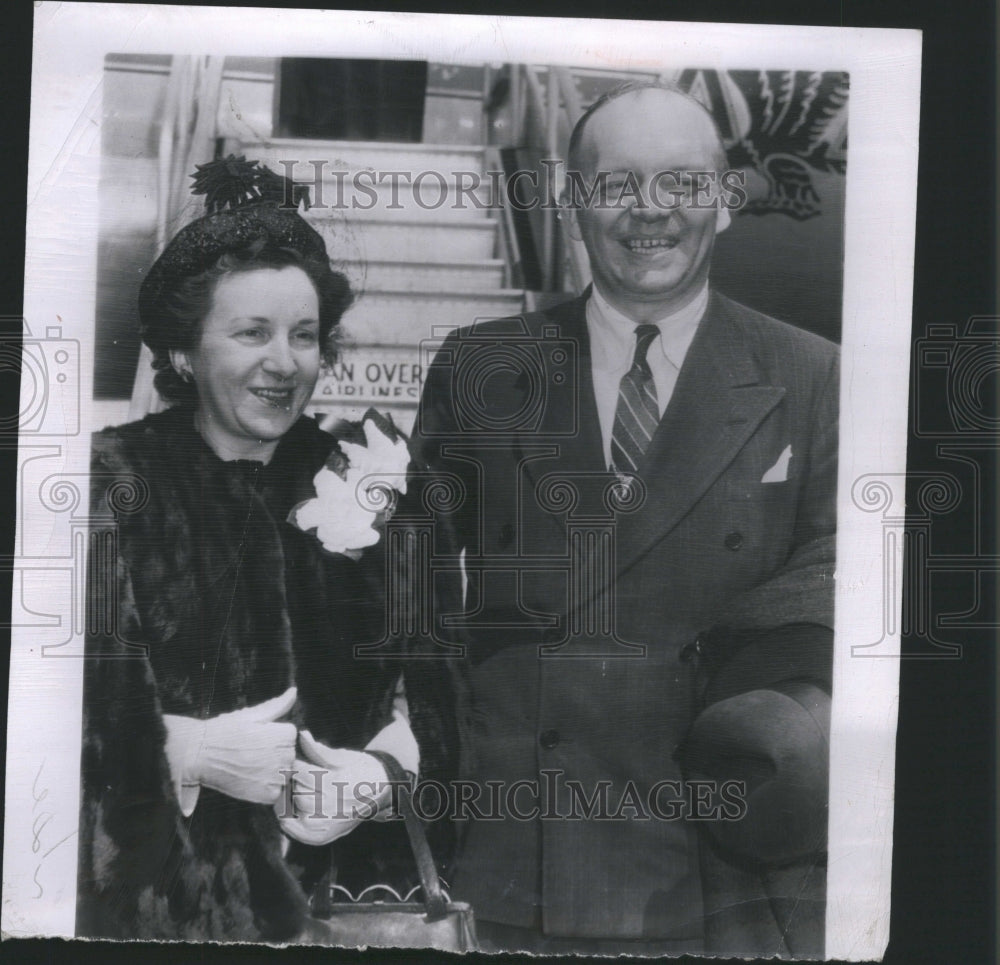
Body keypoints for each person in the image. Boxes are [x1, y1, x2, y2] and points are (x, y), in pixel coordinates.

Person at [408, 82, 837, 957]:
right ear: (573, 203)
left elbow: (839, 589)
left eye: (683, 183)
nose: (651, 212)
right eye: (617, 184)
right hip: (526, 856)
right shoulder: (481, 365)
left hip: (722, 863)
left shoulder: (814, 376)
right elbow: (411, 587)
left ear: (723, 203)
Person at [77, 157, 453, 942]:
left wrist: (381, 774)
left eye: (305, 335)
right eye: (252, 332)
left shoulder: (375, 476)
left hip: (341, 901)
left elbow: (454, 693)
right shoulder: (108, 481)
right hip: (150, 909)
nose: (285, 361)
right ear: (184, 351)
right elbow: (47, 711)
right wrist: (189, 751)